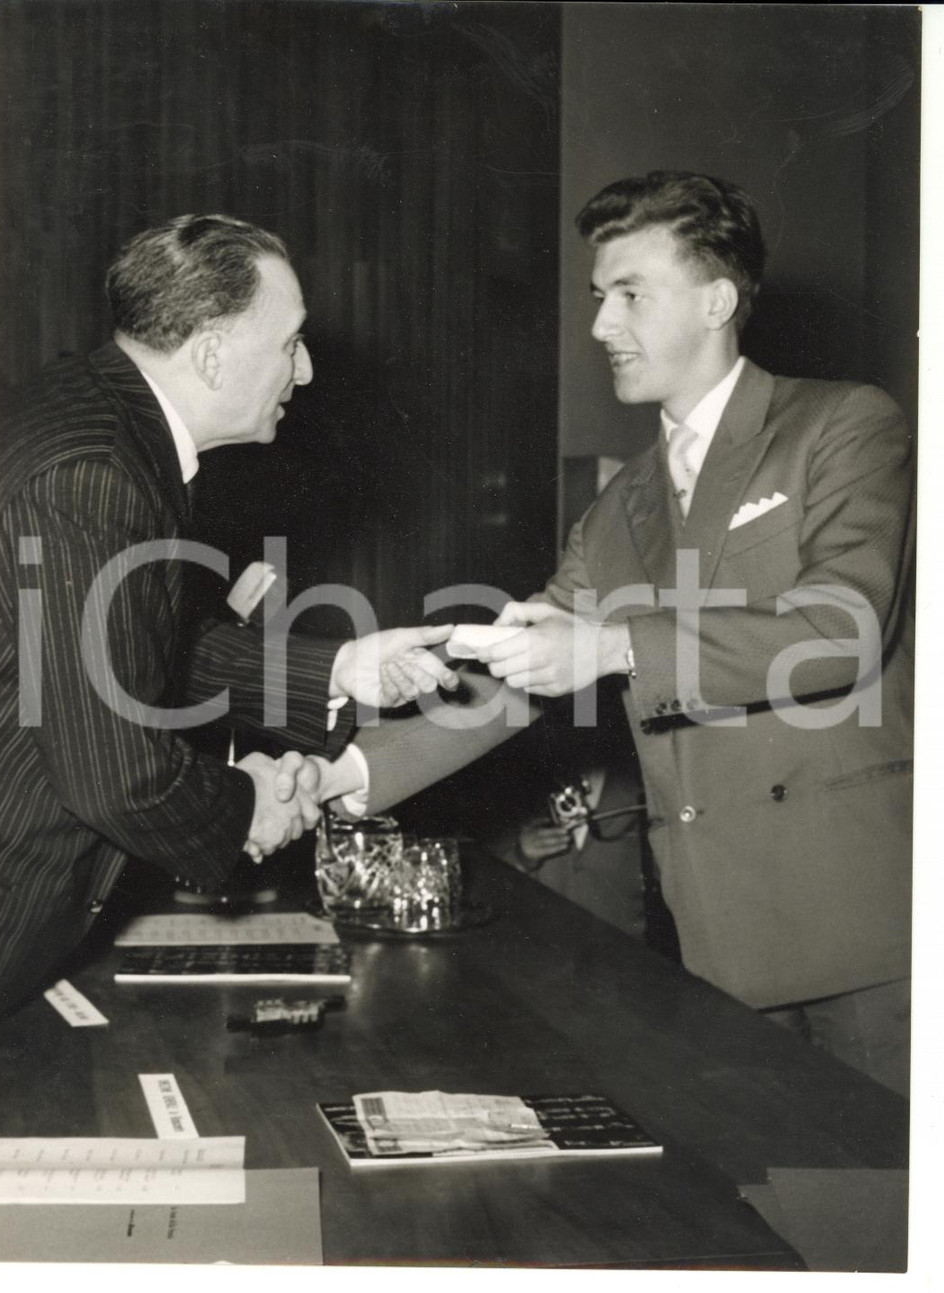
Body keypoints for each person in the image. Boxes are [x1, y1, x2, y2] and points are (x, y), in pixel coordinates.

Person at [325, 173, 914, 1095]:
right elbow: (518, 672)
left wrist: (613, 645)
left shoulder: (841, 423)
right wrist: (342, 778)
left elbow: (840, 627)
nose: (601, 324)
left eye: (631, 294)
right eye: (599, 296)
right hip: (719, 936)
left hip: (865, 928)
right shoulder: (618, 507)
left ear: (716, 300)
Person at [0, 213, 457, 1029]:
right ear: (210, 354)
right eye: (290, 343)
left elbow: (128, 639)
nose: (305, 370)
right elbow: (114, 773)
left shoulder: (98, 418)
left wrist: (339, 669)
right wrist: (248, 806)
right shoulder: (95, 473)